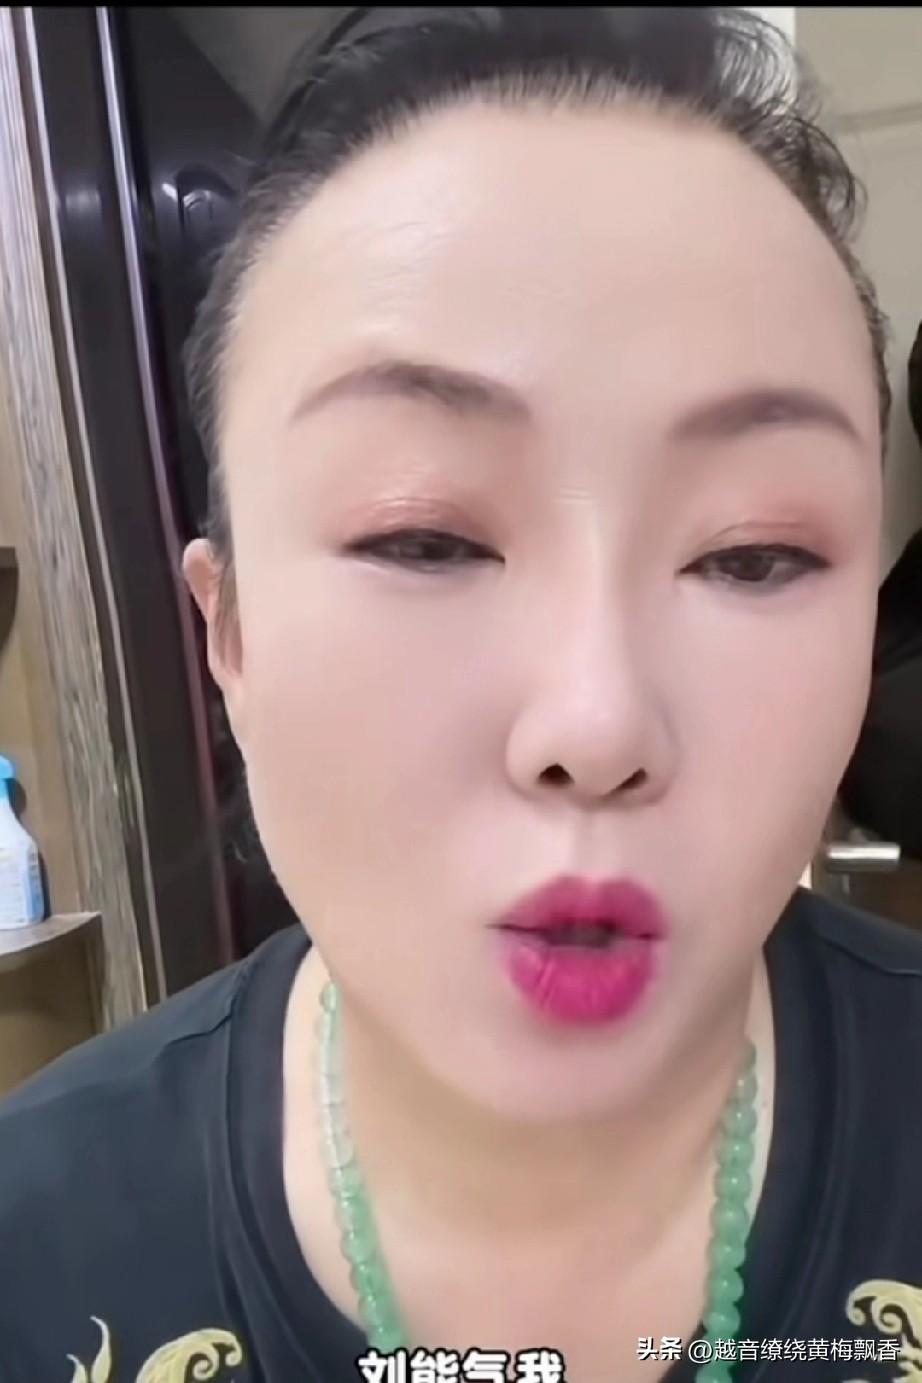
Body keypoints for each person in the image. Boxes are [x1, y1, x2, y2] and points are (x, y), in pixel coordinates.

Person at [0, 7, 919, 1382]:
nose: (596, 726)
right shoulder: (33, 1253)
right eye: (423, 539)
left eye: (751, 555)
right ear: (228, 629)